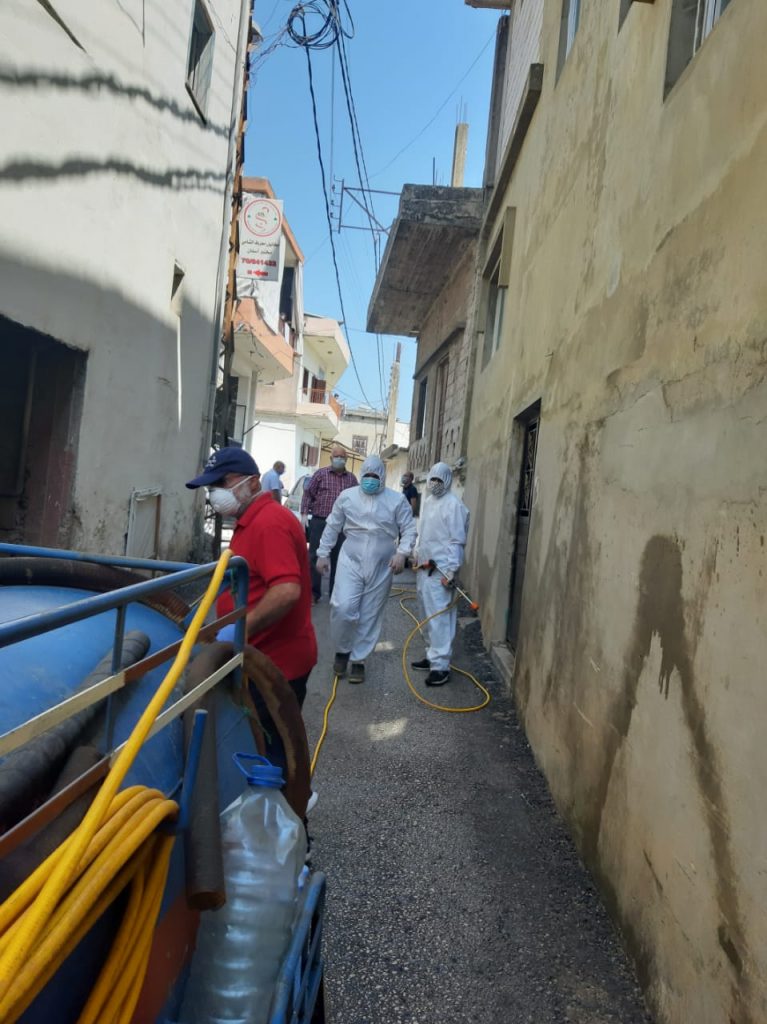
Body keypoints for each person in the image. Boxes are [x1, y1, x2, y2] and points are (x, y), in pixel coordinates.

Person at [186, 447, 317, 764]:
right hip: (257, 656)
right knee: (257, 745)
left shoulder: (269, 523)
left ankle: (286, 795)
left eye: (222, 483)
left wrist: (241, 628)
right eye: (211, 487)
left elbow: (286, 590)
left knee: (270, 754)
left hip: (275, 663)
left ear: (254, 483)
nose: (214, 494)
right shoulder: (250, 521)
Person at [316, 454, 417, 684]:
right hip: (350, 559)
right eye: (367, 475)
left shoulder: (396, 500)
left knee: (370, 612)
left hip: (382, 563)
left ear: (382, 477)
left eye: (375, 476)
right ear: (361, 475)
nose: (370, 480)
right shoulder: (347, 496)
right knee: (343, 607)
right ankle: (342, 651)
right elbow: (333, 525)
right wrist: (322, 553)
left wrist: (402, 553)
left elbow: (409, 529)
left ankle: (358, 660)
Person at [411, 462, 470, 687]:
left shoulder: (454, 505)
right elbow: (424, 533)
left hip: (441, 571)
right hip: (424, 567)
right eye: (432, 479)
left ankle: (441, 666)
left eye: (439, 480)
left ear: (447, 480)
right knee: (426, 615)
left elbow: (457, 540)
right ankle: (431, 655)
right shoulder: (428, 501)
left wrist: (452, 570)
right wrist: (417, 553)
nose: (434, 483)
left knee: (440, 618)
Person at [300, 444, 357, 603]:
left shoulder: (351, 479)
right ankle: (313, 593)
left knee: (339, 559)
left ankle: (335, 593)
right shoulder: (320, 474)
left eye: (342, 457)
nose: (339, 459)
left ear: (346, 459)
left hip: (342, 525)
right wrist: (304, 514)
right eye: (336, 456)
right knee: (315, 557)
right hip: (320, 521)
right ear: (331, 458)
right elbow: (308, 494)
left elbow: (357, 500)